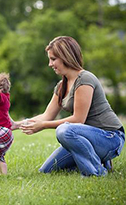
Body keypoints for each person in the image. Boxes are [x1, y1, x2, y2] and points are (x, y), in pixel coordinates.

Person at [20, 36, 125, 177]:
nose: (50, 64)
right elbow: (46, 116)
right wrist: (15, 125)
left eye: (53, 59)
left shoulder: (85, 79)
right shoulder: (61, 86)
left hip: (110, 137)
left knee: (64, 130)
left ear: (65, 57)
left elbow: (78, 119)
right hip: (85, 140)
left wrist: (44, 125)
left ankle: (96, 173)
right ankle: (99, 161)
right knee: (47, 171)